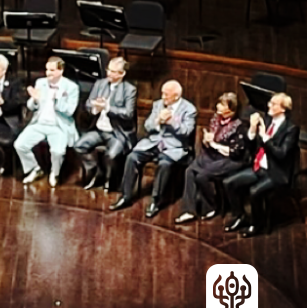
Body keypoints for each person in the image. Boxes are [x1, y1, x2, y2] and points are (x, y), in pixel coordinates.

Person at [110, 80, 196, 218]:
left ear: (176, 96)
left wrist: (171, 121)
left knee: (164, 164)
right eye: (162, 93)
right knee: (132, 157)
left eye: (166, 95)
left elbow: (187, 131)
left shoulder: (189, 109)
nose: (163, 97)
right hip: (154, 143)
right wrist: (157, 121)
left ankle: (156, 201)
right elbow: (147, 126)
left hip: (173, 147)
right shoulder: (158, 104)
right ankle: (126, 196)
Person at [223, 93, 300, 237]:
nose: (269, 105)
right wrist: (252, 130)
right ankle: (240, 216)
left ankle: (256, 225)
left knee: (254, 192)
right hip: (259, 167)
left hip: (276, 172)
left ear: (283, 109)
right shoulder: (267, 120)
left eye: (273, 104)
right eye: (270, 102)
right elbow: (251, 146)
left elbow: (281, 154)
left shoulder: (291, 129)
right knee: (229, 183)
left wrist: (265, 137)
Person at [174, 93, 247, 224]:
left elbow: (235, 152)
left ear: (231, 110)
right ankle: (188, 210)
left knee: (201, 176)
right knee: (190, 171)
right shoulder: (215, 119)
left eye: (222, 105)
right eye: (219, 103)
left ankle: (211, 206)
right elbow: (208, 140)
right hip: (211, 155)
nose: (218, 106)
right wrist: (206, 140)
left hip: (229, 160)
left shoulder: (239, 126)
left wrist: (214, 144)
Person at [72, 56, 137, 190]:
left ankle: (110, 180)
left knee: (111, 155)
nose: (109, 73)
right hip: (98, 129)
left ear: (122, 74)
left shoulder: (129, 90)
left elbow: (128, 113)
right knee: (79, 146)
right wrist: (95, 107)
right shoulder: (100, 84)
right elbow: (88, 104)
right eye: (108, 70)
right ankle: (97, 170)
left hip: (117, 132)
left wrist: (107, 107)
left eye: (113, 71)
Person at [14, 56, 80, 187]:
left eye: (52, 70)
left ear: (60, 71)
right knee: (20, 145)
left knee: (58, 152)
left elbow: (69, 111)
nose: (48, 73)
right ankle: (34, 169)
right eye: (47, 70)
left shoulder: (72, 87)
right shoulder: (40, 83)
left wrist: (56, 100)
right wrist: (34, 99)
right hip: (39, 123)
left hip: (59, 126)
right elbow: (31, 107)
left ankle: (54, 173)